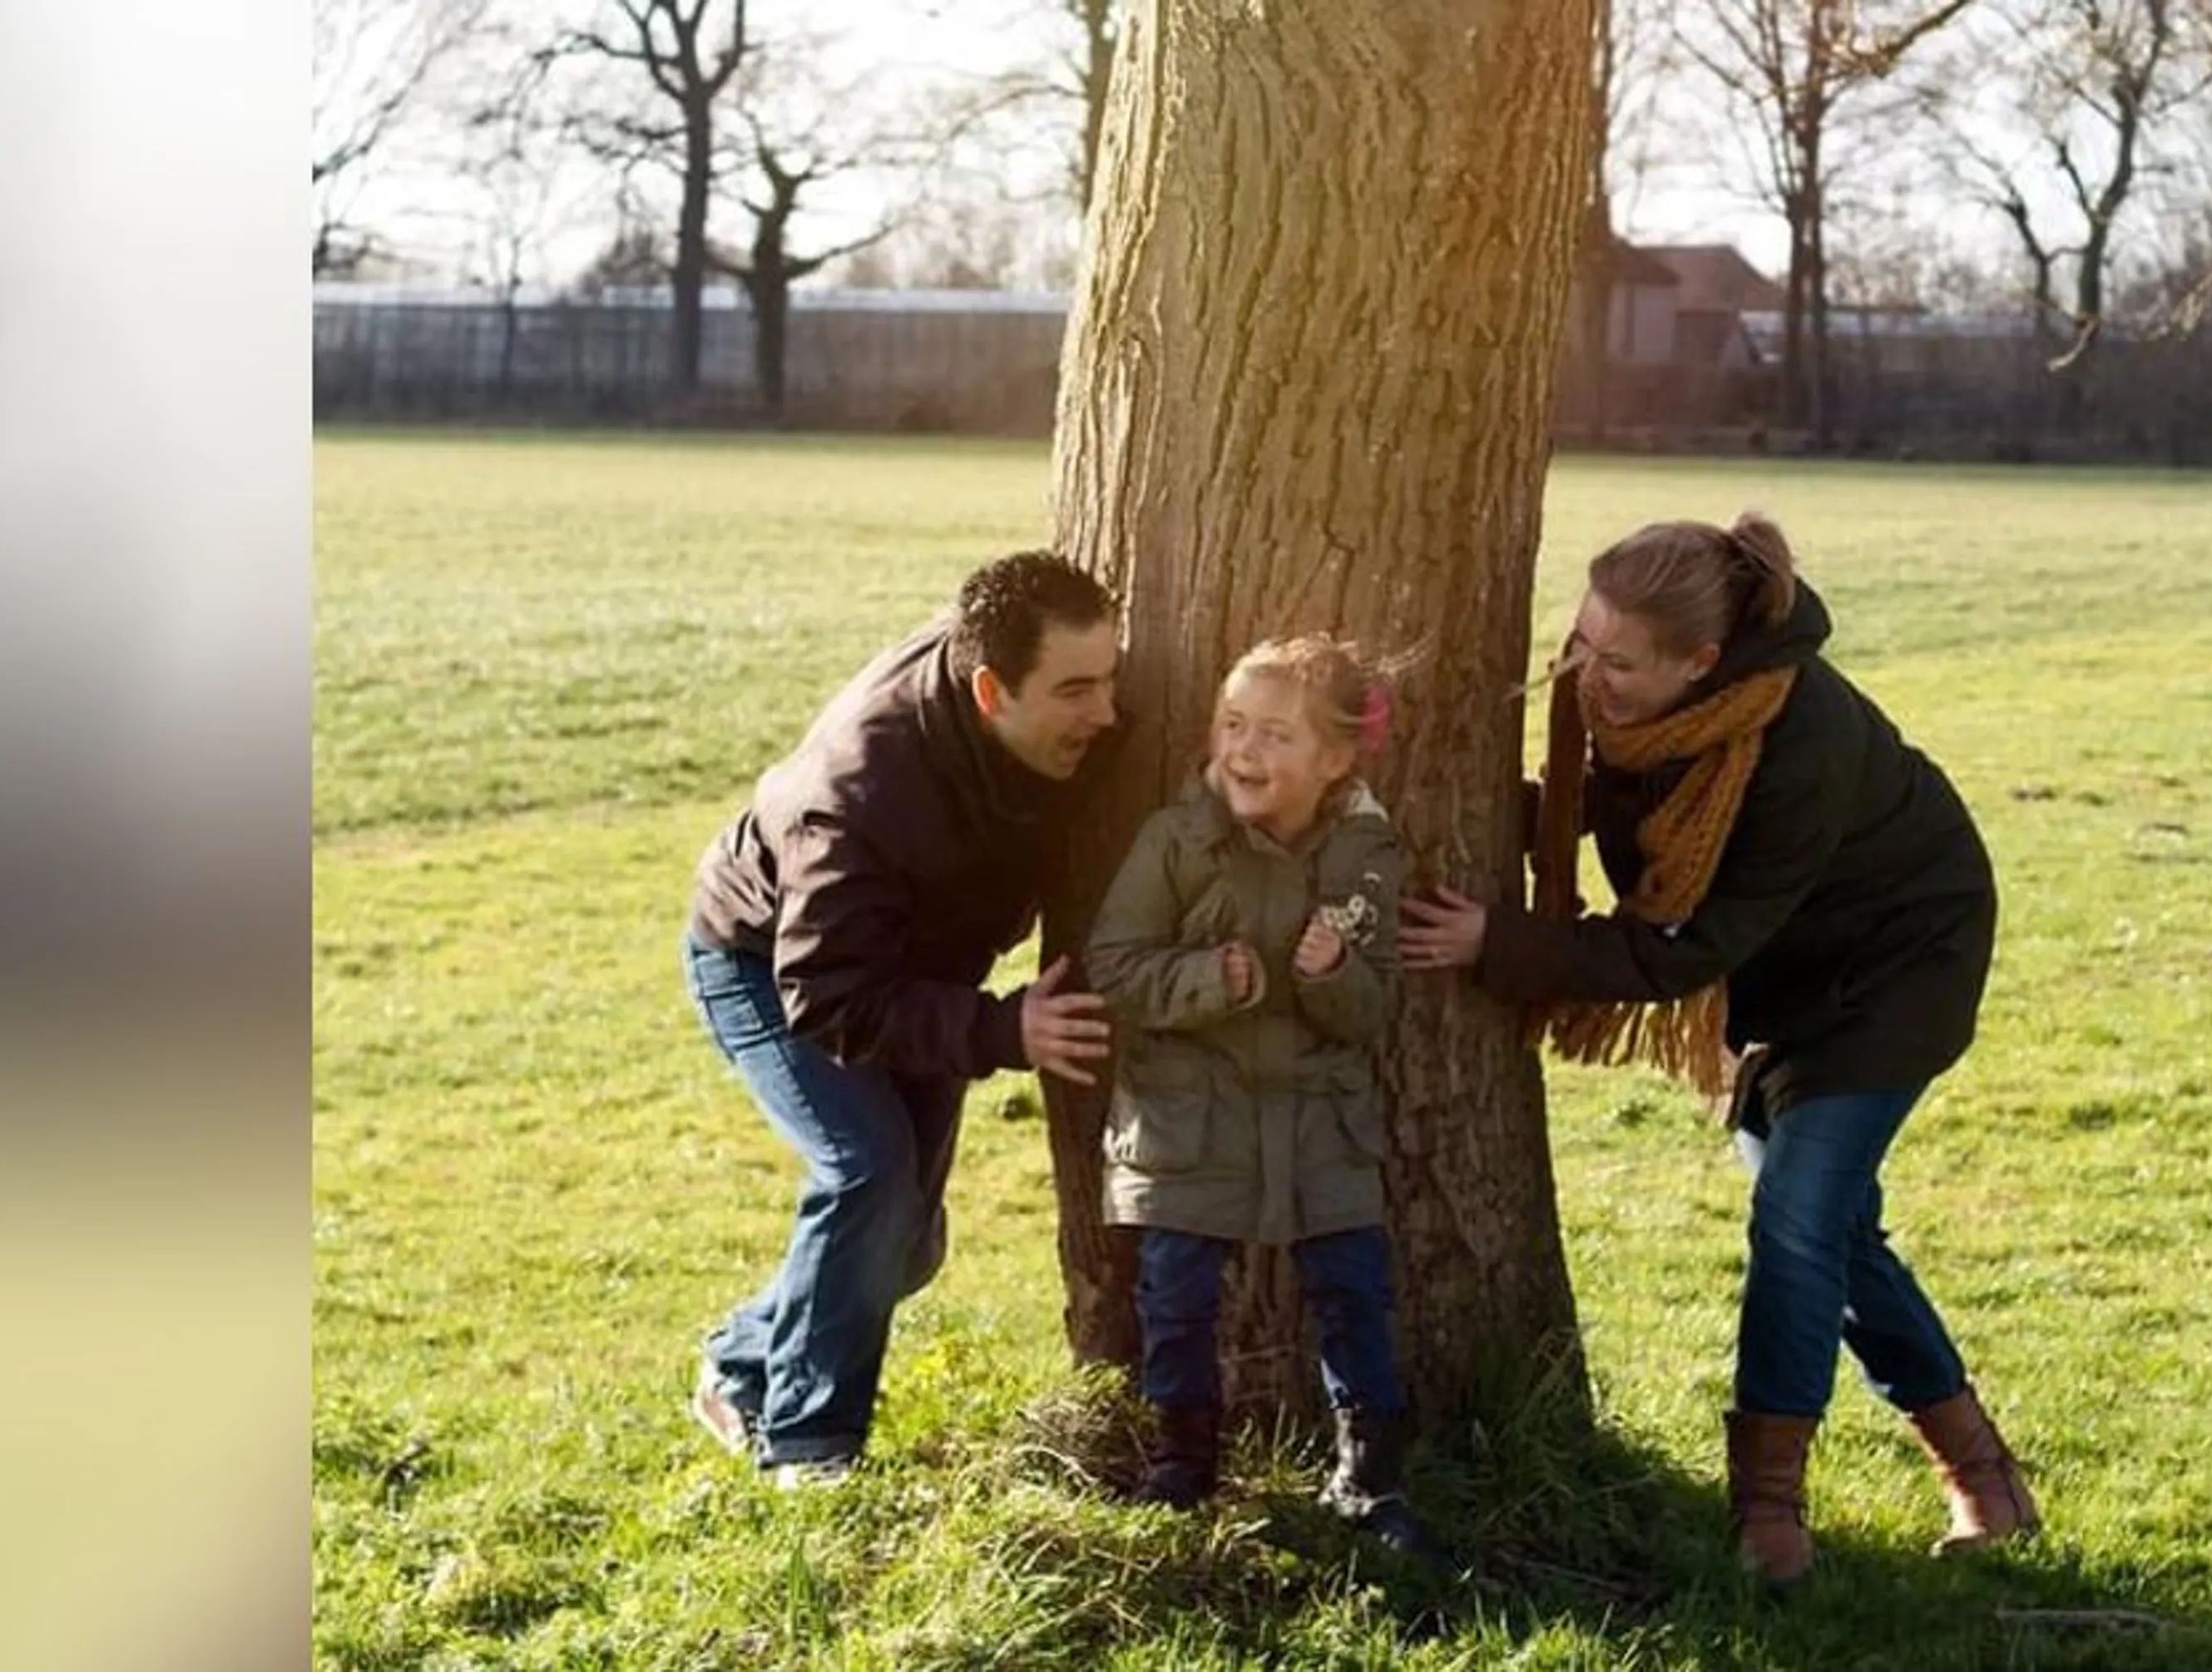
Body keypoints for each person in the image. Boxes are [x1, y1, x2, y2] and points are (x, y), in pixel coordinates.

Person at [1399, 512, 2037, 1581]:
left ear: (1702, 663)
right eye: (1582, 645)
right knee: (1832, 1232)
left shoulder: (1796, 744)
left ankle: (1768, 1514)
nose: (1587, 677)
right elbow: (1600, 808)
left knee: (1796, 1222)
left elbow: (1681, 952)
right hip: (1792, 968)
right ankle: (1985, 1474)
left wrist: (1500, 942)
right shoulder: (1636, 711)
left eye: (1620, 663)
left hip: (1898, 967)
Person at [683, 550, 1122, 1484]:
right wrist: (1004, 1032)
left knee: (905, 1246)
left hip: (918, 976)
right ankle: (809, 1449)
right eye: (1077, 690)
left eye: (1110, 679)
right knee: (868, 1177)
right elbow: (826, 994)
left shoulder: (1012, 680)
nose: (1109, 714)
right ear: (991, 693)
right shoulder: (855, 797)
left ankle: (739, 1359)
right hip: (774, 966)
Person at [1083, 634, 1433, 1556]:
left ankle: (1370, 1473)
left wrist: (1329, 973)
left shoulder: (1366, 857)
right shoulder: (1175, 840)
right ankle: (1183, 1458)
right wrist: (1209, 978)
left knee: (1355, 1289)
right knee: (1177, 1290)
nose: (1243, 750)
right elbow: (1114, 966)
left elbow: (1372, 1009)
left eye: (1275, 735)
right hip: (1188, 1120)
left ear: (1336, 760)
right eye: (1232, 725)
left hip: (1320, 1120)